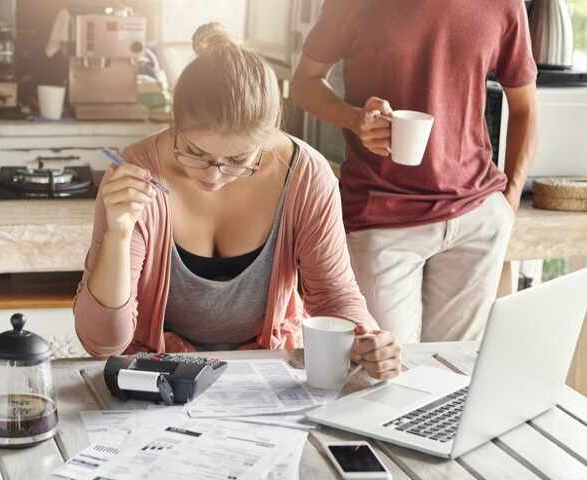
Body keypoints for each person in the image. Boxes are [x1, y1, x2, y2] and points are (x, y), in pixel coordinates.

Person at [74, 23, 402, 380]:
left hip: (264, 373)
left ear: (268, 141)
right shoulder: (136, 172)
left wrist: (368, 340)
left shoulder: (305, 175)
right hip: (158, 376)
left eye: (237, 161)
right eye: (195, 153)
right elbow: (102, 344)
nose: (213, 176)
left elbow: (334, 297)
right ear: (174, 124)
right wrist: (118, 237)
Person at [291, 0, 538, 343]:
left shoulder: (504, 4)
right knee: (382, 377)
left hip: (475, 221)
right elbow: (303, 82)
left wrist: (508, 203)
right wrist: (354, 119)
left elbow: (525, 107)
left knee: (453, 376)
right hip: (381, 220)